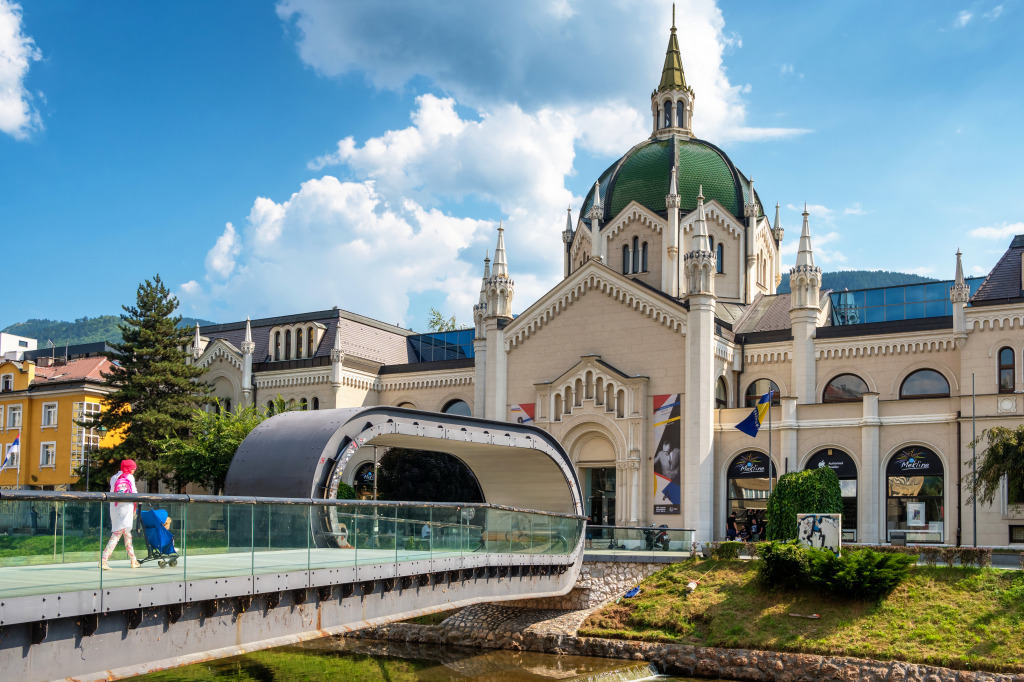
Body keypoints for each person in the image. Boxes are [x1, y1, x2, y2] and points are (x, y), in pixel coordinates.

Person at [101, 459, 140, 570]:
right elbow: (134, 492)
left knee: (127, 535)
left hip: (115, 508)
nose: (134, 470)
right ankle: (103, 560)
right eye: (133, 468)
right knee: (117, 534)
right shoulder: (129, 477)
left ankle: (133, 560)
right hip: (126, 509)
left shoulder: (114, 477)